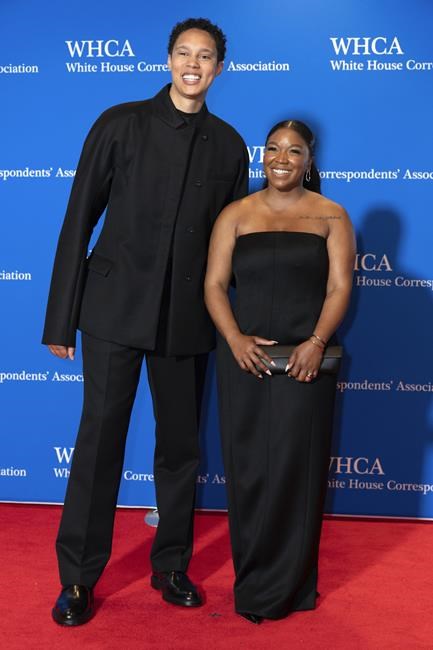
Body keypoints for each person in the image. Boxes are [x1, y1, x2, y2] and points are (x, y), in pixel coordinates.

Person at [43, 18, 249, 626]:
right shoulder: (120, 123)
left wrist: (240, 326)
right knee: (99, 443)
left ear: (219, 69)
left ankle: (172, 565)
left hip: (186, 320)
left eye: (205, 56)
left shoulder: (230, 145)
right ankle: (77, 578)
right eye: (184, 53)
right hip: (112, 311)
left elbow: (230, 249)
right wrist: (60, 320)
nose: (193, 64)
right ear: (168, 60)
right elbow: (79, 217)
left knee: (181, 449)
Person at [205, 119, 355, 623]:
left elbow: (339, 287)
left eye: (294, 151)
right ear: (262, 156)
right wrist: (235, 339)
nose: (281, 159)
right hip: (244, 362)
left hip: (307, 364)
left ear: (310, 160)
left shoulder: (332, 215)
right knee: (248, 472)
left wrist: (316, 343)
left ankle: (290, 586)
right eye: (273, 149)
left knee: (297, 471)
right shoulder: (235, 214)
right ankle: (252, 583)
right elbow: (213, 285)